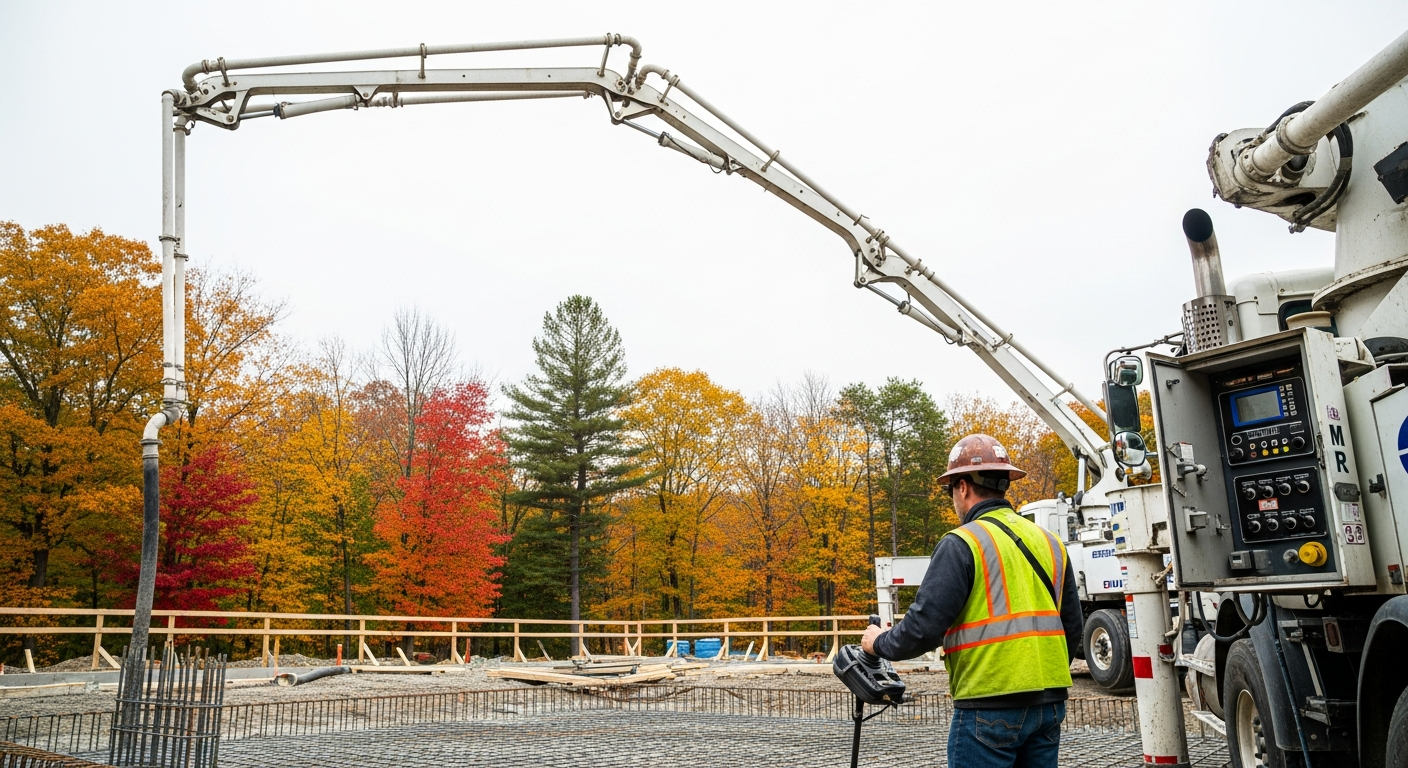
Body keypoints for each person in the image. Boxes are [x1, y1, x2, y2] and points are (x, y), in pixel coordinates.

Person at [862, 434, 1083, 768]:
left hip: (989, 705)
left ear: (962, 487)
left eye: (951, 489)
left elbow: (924, 628)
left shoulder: (962, 542)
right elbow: (1072, 626)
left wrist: (879, 643)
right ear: (1003, 483)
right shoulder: (1050, 542)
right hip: (1049, 706)